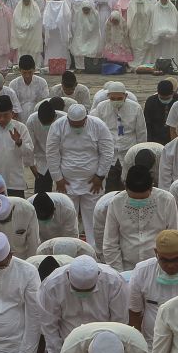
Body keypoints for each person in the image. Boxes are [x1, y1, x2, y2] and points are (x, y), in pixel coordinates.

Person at [47, 103, 114, 248]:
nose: (76, 127)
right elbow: (52, 153)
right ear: (68, 119)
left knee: (93, 220)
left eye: (79, 124)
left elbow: (107, 152)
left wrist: (100, 176)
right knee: (65, 218)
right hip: (66, 182)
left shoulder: (98, 125)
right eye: (73, 124)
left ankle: (95, 250)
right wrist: (57, 178)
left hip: (93, 183)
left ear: (86, 119)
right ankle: (66, 248)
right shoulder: (58, 126)